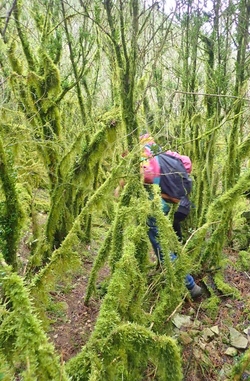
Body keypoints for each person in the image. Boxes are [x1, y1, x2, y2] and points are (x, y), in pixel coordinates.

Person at [140, 135, 202, 299]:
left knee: (160, 242)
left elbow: (146, 175)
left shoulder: (146, 154)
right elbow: (187, 164)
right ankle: (167, 268)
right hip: (177, 203)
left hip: (161, 202)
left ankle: (190, 284)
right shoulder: (163, 152)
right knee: (170, 237)